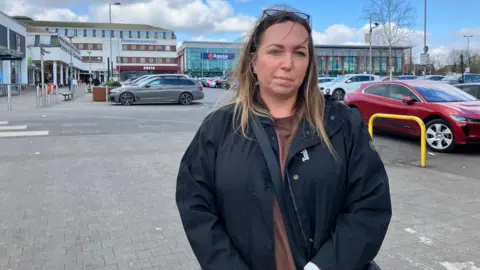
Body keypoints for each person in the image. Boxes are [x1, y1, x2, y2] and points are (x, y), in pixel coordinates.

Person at [176, 6, 392, 270]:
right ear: (254, 61)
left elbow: (370, 205)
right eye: (276, 51)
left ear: (309, 64)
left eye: (299, 53)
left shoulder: (342, 124)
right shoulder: (219, 127)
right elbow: (195, 205)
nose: (287, 63)